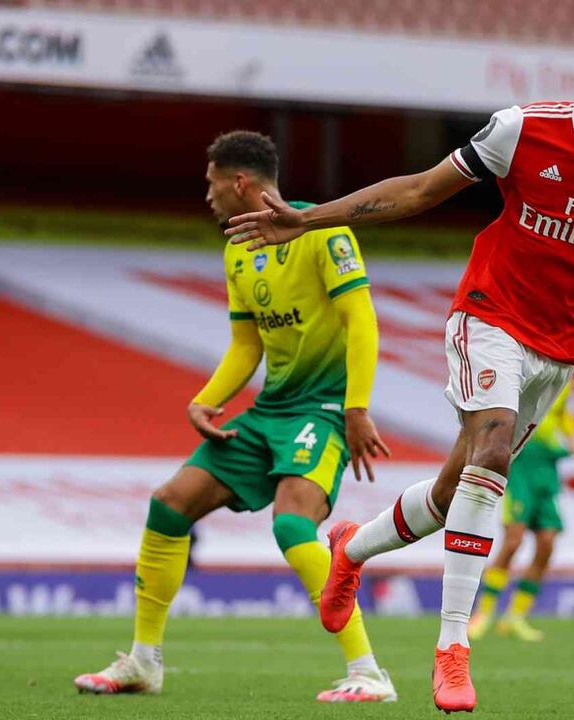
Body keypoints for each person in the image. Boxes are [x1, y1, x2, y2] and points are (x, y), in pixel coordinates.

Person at [222, 6, 574, 712]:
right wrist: (308, 218)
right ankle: (452, 649)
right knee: (494, 450)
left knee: (456, 494)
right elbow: (419, 189)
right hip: (488, 315)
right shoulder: (523, 130)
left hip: (558, 350)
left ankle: (350, 548)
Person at [74, 131, 397, 702]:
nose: (208, 195)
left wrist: (356, 408)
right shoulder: (237, 250)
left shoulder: (322, 230)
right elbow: (247, 345)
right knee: (170, 503)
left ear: (239, 182)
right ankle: (144, 662)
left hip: (322, 408)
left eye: (211, 182)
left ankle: (369, 673)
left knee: (292, 524)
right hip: (269, 410)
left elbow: (361, 319)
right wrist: (206, 398)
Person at [470, 382, 574, 642]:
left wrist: (571, 436)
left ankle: (515, 617)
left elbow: (561, 411)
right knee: (513, 541)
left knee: (547, 543)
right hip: (521, 462)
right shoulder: (525, 371)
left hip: (546, 466)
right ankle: (483, 613)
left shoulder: (565, 377)